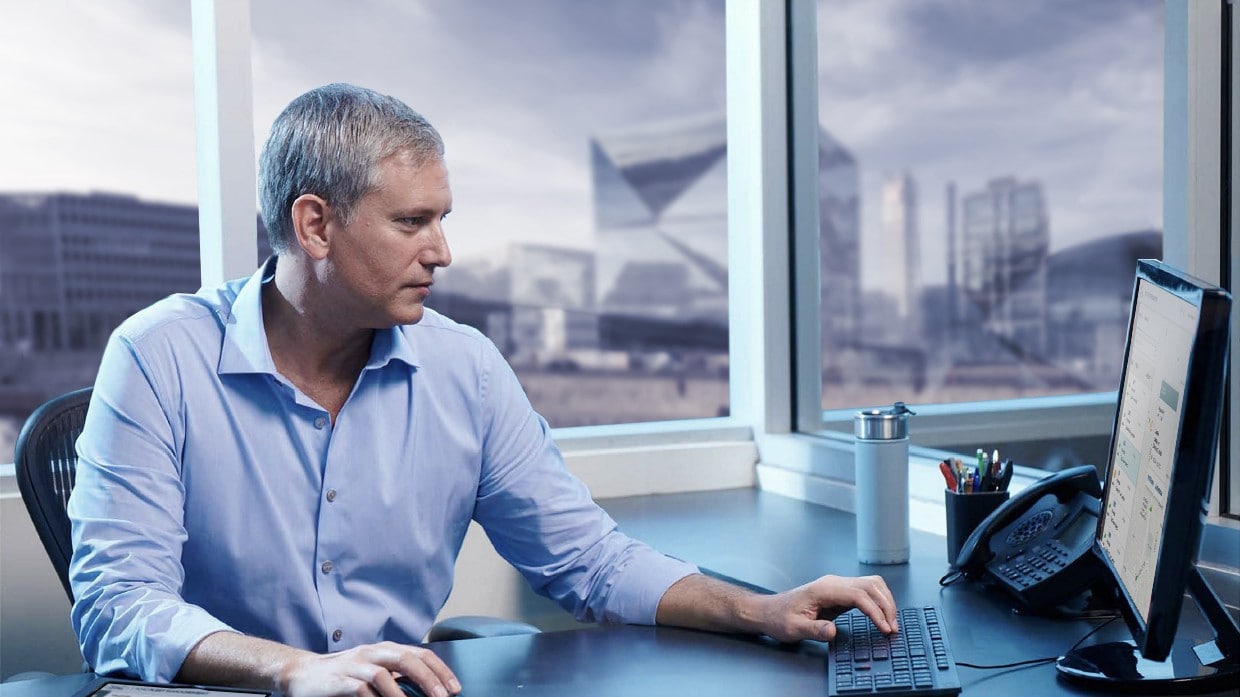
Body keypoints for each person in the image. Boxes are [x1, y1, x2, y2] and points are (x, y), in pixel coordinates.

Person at [67, 83, 898, 697]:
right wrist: (293, 669)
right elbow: (117, 603)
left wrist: (760, 610)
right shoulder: (157, 356)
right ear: (315, 224)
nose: (442, 252)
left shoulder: (463, 368)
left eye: (443, 218)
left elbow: (589, 561)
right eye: (410, 222)